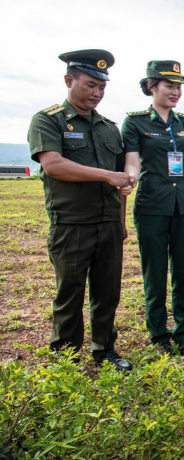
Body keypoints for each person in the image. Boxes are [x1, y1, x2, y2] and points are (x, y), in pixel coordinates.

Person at [27, 49, 132, 371]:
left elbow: (121, 181)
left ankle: (105, 350)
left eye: (102, 88)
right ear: (69, 80)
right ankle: (66, 357)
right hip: (71, 223)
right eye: (90, 85)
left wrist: (121, 219)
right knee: (69, 293)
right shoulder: (48, 119)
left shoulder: (108, 128)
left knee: (107, 293)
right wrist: (107, 175)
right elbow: (54, 165)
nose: (97, 93)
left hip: (108, 224)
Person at [122, 60, 184, 355]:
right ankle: (159, 335)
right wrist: (129, 178)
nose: (175, 92)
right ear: (151, 87)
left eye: (179, 87)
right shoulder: (135, 122)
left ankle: (183, 333)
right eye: (169, 86)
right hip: (151, 205)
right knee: (155, 273)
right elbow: (132, 161)